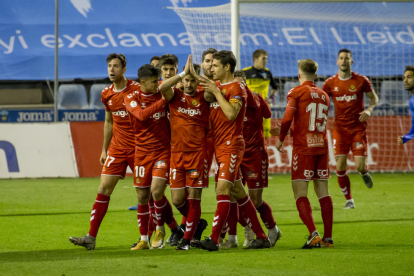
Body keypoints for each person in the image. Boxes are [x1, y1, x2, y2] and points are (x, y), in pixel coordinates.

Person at [192, 50, 270, 251]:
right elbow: (207, 95)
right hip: (220, 146)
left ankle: (214, 239)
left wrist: (217, 92)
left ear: (227, 67)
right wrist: (195, 75)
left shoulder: (238, 87)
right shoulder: (219, 86)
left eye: (215, 65)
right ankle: (261, 237)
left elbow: (231, 114)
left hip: (232, 145)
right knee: (238, 192)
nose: (212, 68)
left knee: (222, 189)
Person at [69, 53, 138, 250]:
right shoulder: (107, 93)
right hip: (117, 147)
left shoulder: (137, 90)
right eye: (109, 66)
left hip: (138, 147)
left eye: (116, 66)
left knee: (149, 193)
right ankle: (91, 237)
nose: (111, 69)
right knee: (103, 188)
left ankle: (159, 233)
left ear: (124, 69)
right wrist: (104, 149)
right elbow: (109, 122)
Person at [276, 59, 334, 249]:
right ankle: (328, 238)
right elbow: (310, 122)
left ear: (299, 74)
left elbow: (287, 118)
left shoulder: (296, 92)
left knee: (300, 193)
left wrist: (281, 138)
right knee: (323, 193)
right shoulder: (325, 95)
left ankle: (313, 234)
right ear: (316, 76)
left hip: (303, 149)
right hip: (322, 148)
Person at [124, 64, 181, 250]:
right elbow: (141, 115)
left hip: (162, 151)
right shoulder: (131, 97)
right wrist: (162, 103)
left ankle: (160, 230)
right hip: (141, 152)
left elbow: (172, 87)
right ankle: (144, 239)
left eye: (159, 81)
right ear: (143, 82)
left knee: (157, 191)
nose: (158, 84)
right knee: (142, 196)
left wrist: (182, 76)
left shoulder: (162, 93)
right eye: (154, 81)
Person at [158, 55, 212, 250]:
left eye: (192, 80)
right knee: (177, 200)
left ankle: (187, 240)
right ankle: (197, 223)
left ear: (198, 81)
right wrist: (182, 73)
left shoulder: (204, 97)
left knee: (194, 198)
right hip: (177, 154)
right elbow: (162, 88)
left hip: (197, 154)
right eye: (186, 80)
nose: (189, 84)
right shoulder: (175, 96)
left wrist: (198, 74)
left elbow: (212, 88)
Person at [322, 49, 379, 209]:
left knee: (360, 166)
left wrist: (368, 110)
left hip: (357, 130)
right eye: (341, 58)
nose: (344, 61)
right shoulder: (330, 83)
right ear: (337, 61)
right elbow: (322, 101)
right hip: (339, 130)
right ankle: (349, 200)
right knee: (340, 166)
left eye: (347, 58)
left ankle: (364, 172)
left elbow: (374, 98)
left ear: (351, 62)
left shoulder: (361, 80)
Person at [243, 49, 278, 139]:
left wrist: (272, 97)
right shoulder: (246, 72)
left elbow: (275, 88)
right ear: (255, 59)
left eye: (266, 59)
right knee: (248, 135)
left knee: (264, 136)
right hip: (249, 108)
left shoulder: (267, 72)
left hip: (264, 108)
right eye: (263, 58)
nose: (265, 61)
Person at [398, 66, 414, 145]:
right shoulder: (412, 101)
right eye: (404, 78)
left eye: (409, 77)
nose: (405, 81)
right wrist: (406, 137)